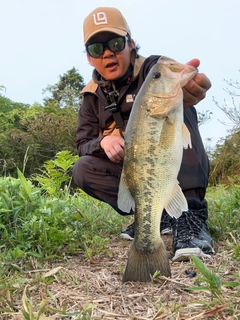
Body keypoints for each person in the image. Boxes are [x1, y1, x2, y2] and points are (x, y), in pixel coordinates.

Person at [73, 7, 215, 261]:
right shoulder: (91, 98)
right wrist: (103, 141)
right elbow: (82, 143)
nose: (107, 53)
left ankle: (190, 215)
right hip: (134, 173)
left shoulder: (153, 70)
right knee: (83, 167)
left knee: (180, 108)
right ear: (89, 57)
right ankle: (156, 216)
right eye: (96, 48)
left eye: (115, 43)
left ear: (131, 43)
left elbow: (185, 79)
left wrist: (190, 88)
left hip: (167, 165)